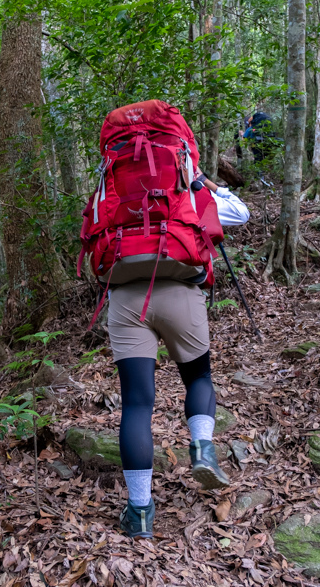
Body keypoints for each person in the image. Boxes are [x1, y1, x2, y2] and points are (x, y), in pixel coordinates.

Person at [111, 170, 249, 539]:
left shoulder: (114, 189)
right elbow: (241, 213)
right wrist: (203, 181)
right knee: (198, 378)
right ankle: (202, 448)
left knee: (136, 405)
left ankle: (140, 512)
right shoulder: (190, 193)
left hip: (125, 299)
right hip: (181, 292)